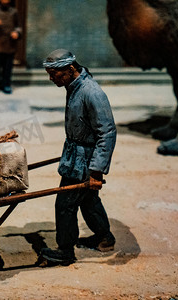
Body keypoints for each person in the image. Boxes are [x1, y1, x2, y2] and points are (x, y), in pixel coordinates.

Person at [40, 49, 117, 266]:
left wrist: (96, 171)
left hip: (86, 159)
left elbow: (107, 132)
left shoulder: (91, 92)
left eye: (54, 73)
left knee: (65, 204)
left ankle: (65, 251)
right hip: (76, 153)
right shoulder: (73, 86)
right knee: (88, 199)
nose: (51, 78)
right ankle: (104, 237)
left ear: (70, 69)